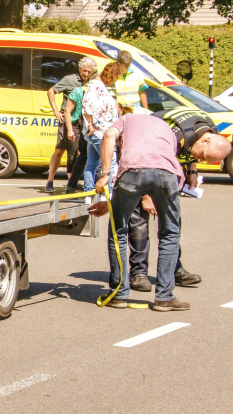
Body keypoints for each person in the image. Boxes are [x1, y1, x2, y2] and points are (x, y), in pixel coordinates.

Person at [89, 113, 231, 311]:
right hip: (168, 175)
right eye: (203, 156)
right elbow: (160, 161)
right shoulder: (167, 130)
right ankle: (164, 297)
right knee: (170, 234)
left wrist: (105, 175)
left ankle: (119, 294)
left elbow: (108, 137)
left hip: (133, 171)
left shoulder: (127, 120)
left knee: (118, 232)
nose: (198, 159)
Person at [128, 108, 220, 292]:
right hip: (140, 163)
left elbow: (192, 148)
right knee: (139, 220)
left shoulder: (206, 130)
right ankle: (138, 273)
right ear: (206, 140)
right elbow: (144, 159)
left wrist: (192, 170)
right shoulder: (173, 134)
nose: (199, 158)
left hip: (166, 169)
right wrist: (145, 196)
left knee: (172, 224)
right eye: (202, 156)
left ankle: (174, 269)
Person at [44, 57, 97, 193]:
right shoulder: (69, 80)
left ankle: (72, 181)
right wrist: (56, 110)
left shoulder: (93, 82)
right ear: (79, 69)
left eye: (88, 71)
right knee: (60, 150)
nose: (86, 74)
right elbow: (51, 91)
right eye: (84, 70)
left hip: (83, 121)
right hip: (68, 118)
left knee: (77, 152)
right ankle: (50, 180)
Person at [82, 62, 126, 194]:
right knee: (110, 164)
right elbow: (87, 105)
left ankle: (88, 192)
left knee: (92, 163)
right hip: (100, 131)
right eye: (116, 77)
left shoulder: (99, 85)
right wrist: (90, 124)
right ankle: (109, 193)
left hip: (99, 130)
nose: (116, 81)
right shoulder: (96, 86)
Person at [62, 65, 99, 193]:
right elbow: (67, 111)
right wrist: (70, 129)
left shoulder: (92, 92)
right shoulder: (79, 92)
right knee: (84, 156)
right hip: (83, 126)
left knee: (84, 156)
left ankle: (73, 185)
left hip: (88, 127)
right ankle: (77, 186)